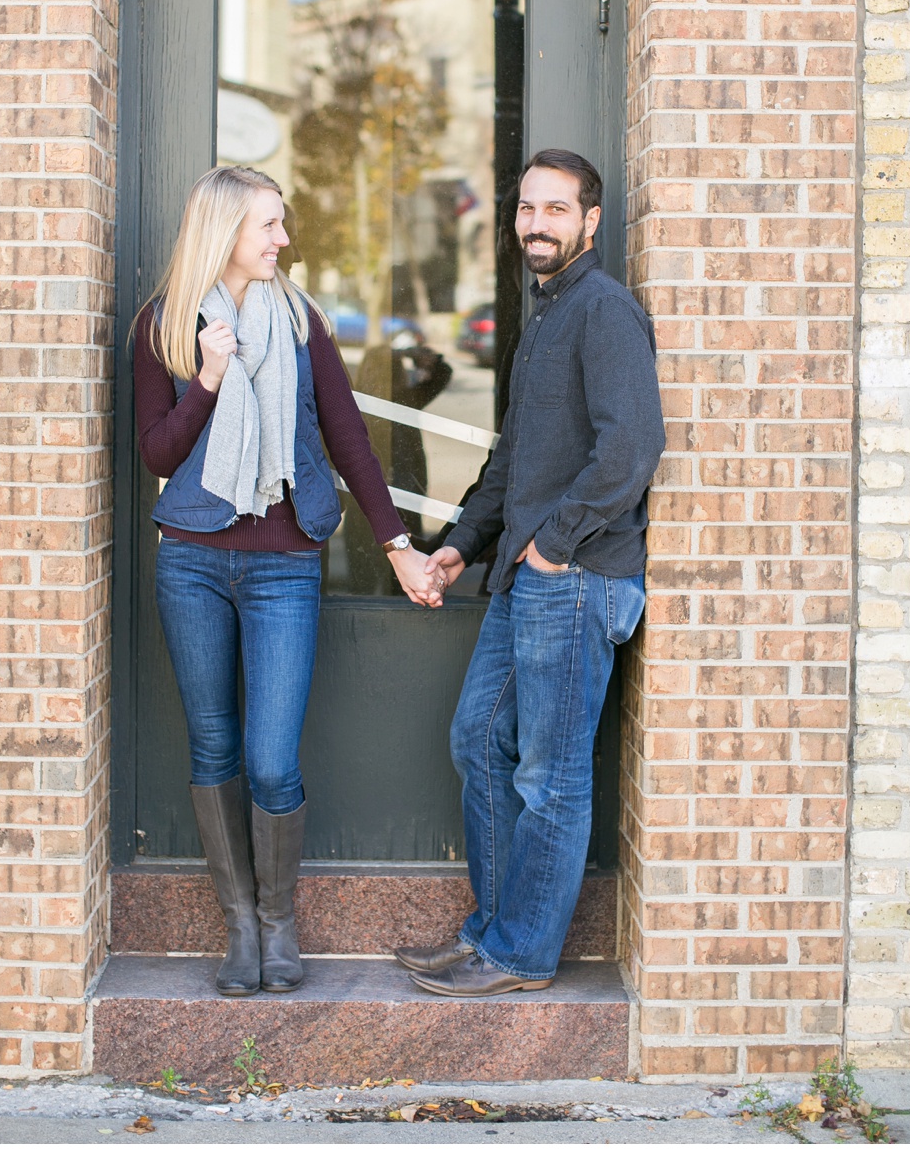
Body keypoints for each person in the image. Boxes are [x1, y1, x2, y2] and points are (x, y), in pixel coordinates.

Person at [132, 166, 445, 999]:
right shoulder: (162, 325)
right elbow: (157, 455)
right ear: (222, 231)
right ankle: (241, 927)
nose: (282, 240)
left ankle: (279, 920)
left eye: (282, 224)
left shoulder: (302, 322)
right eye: (267, 226)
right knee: (214, 747)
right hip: (192, 560)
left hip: (284, 563)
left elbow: (348, 440)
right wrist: (205, 378)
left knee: (271, 762)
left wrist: (400, 548)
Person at [399, 149, 666, 997]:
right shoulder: (545, 318)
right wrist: (459, 544)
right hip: (528, 577)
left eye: (556, 210)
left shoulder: (605, 313)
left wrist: (554, 544)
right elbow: (513, 461)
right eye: (525, 209)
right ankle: (493, 935)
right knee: (479, 739)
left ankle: (519, 954)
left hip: (577, 577)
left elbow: (631, 448)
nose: (537, 224)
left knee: (550, 774)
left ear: (591, 221)